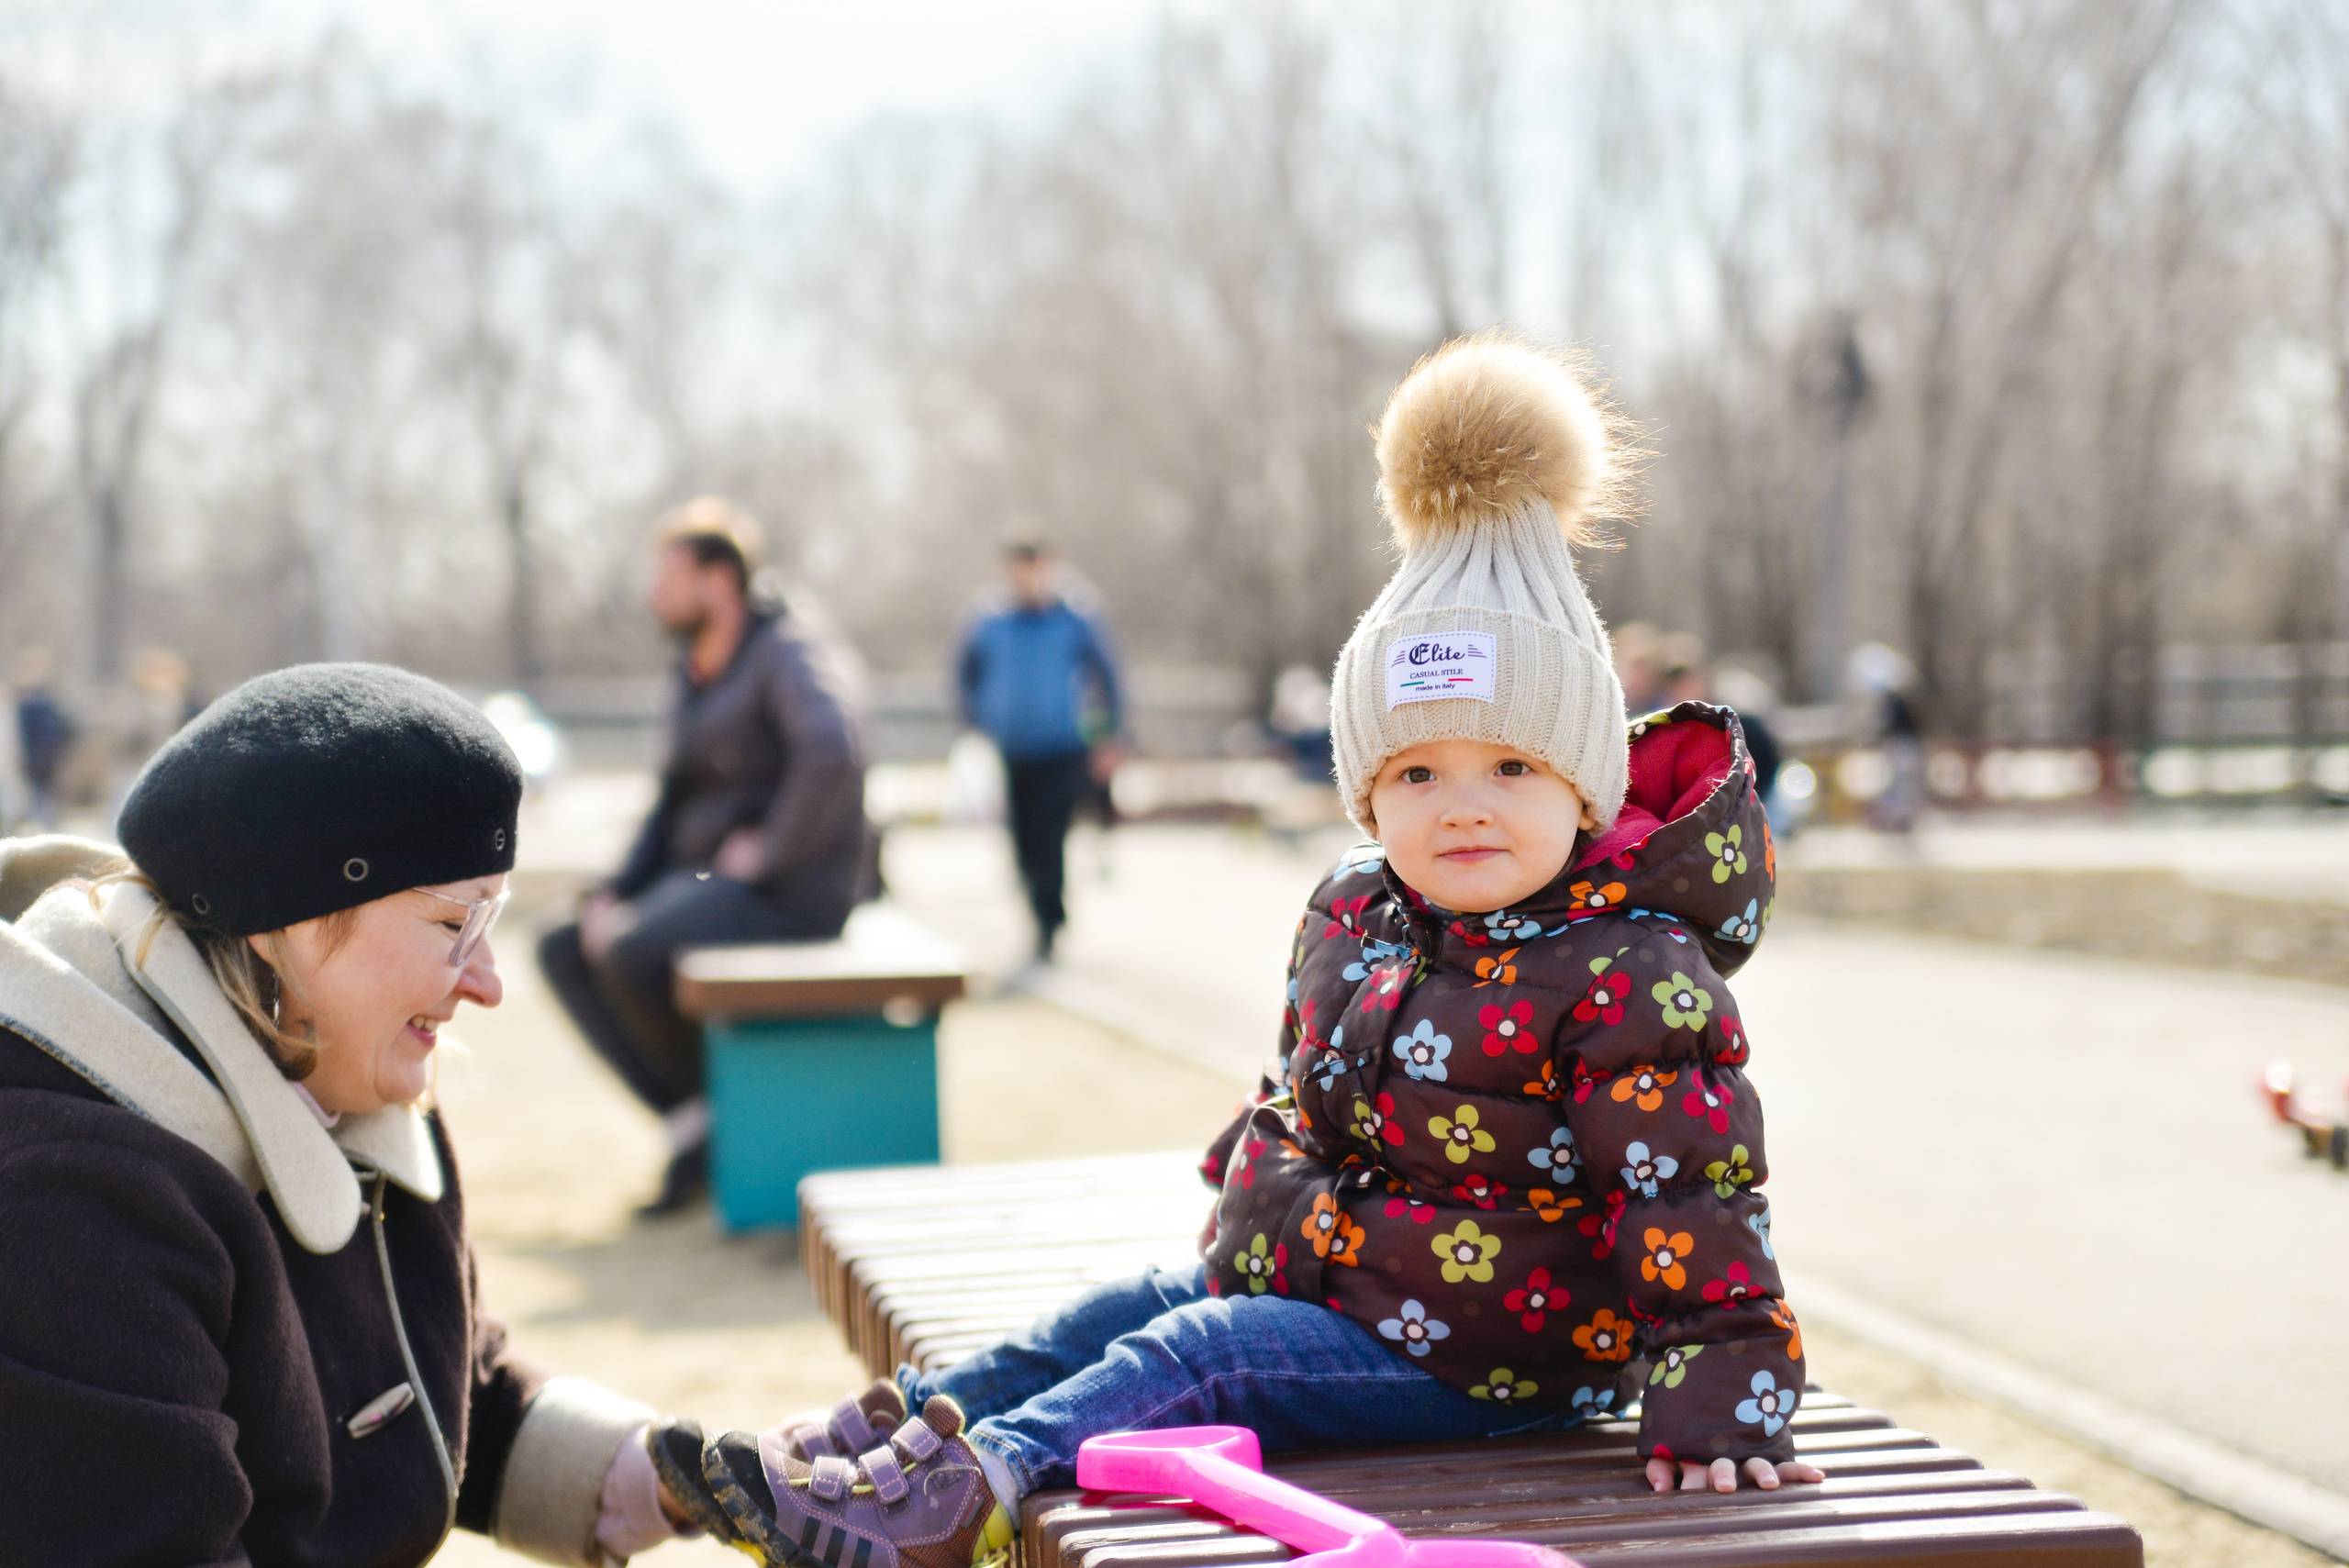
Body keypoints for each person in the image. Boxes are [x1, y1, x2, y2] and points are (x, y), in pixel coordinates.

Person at [683, 335, 1818, 1567]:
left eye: (1511, 768)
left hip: (1500, 1357)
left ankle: (958, 1501)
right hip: (1347, 1295)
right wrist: (1255, 1205)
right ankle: (885, 1445)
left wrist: (1724, 1397)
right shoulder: (1353, 911)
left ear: (1585, 789)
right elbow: (1300, 1103)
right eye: (1418, 772)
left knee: (1199, 1356)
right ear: (1365, 795)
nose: (1463, 806)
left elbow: (1692, 1196)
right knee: (1119, 1314)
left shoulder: (1625, 966)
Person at [0, 663, 780, 1565]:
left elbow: (422, 1386)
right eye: (455, 926)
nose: (487, 981)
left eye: (494, 922)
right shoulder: (71, 1203)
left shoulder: (336, 1087)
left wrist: (676, 1476)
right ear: (285, 920)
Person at [539, 497, 869, 1216]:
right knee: (565, 946)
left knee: (630, 951)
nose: (655, 593)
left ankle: (727, 1124)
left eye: (669, 574)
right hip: (707, 882)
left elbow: (832, 748)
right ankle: (694, 1122)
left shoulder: (787, 651)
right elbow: (668, 803)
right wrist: (612, 889)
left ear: (718, 581)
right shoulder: (690, 676)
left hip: (792, 891)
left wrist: (772, 850)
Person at [954, 540, 1124, 964]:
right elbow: (964, 673)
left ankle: (1051, 921)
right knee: (1022, 838)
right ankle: (1036, 910)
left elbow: (1107, 675)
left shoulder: (1074, 618)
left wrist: (1110, 735)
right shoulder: (989, 621)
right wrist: (974, 721)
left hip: (1060, 747)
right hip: (1012, 749)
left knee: (1050, 836)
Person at [11, 647, 75, 829]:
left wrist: (45, 755)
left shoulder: (37, 703)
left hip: (39, 761)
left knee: (41, 802)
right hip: (41, 760)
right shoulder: (38, 701)